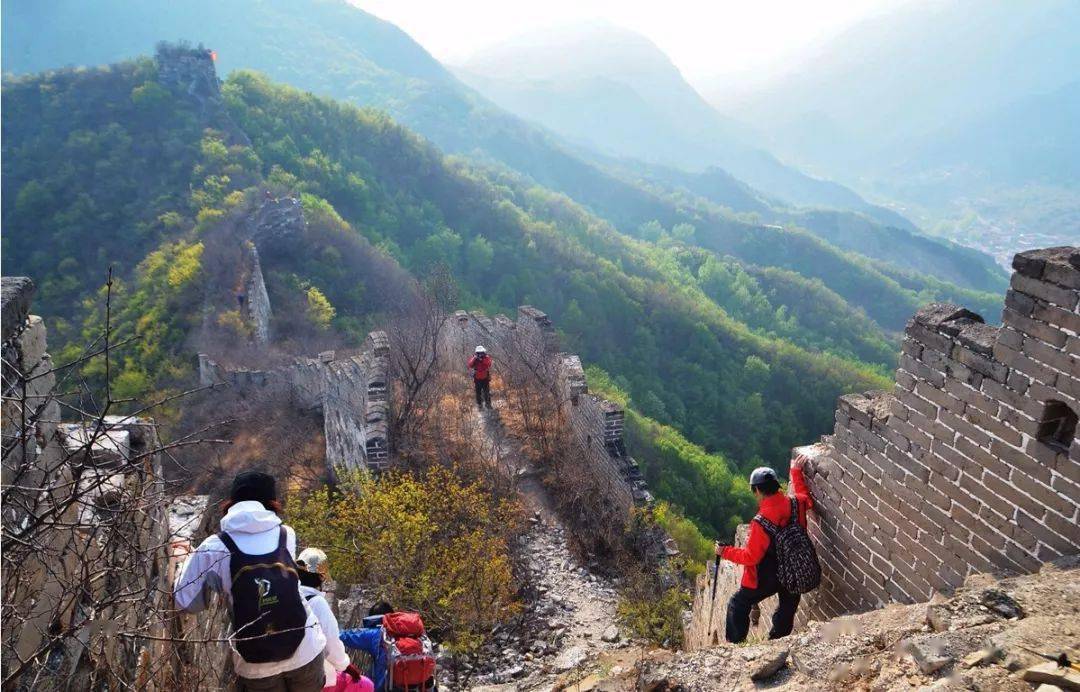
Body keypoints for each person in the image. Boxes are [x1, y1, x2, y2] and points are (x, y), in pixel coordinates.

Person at [175, 471, 327, 691]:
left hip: (255, 662)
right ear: (272, 503)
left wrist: (191, 558)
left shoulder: (214, 547)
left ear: (231, 503)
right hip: (306, 647)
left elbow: (185, 601)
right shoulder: (286, 534)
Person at [716, 454, 814, 643]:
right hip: (795, 568)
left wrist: (725, 551)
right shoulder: (796, 504)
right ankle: (778, 642)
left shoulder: (761, 521)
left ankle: (735, 645)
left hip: (769, 576)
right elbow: (805, 498)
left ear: (757, 491)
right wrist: (795, 472)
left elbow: (751, 557)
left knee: (738, 603)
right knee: (788, 606)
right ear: (777, 486)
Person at [295, 548, 367, 691]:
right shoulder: (317, 602)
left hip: (284, 671)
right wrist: (345, 665)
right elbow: (331, 642)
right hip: (312, 675)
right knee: (365, 685)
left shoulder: (288, 596)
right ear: (321, 577)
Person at [339, 602, 394, 691]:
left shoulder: (376, 634)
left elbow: (346, 636)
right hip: (415, 684)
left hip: (384, 687)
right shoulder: (412, 633)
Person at [467, 346, 493, 410]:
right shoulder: (474, 358)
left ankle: (488, 404)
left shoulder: (486, 357)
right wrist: (475, 358)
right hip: (477, 377)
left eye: (481, 352)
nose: (480, 354)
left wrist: (482, 360)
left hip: (485, 377)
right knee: (478, 392)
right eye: (479, 353)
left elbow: (489, 364)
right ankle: (479, 405)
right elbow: (470, 364)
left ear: (483, 352)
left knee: (486, 392)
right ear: (476, 353)